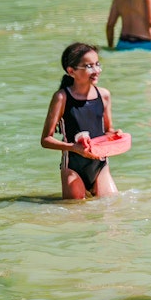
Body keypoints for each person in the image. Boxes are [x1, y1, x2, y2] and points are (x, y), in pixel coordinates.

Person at [40, 42, 120, 200]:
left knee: (113, 208)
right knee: (76, 215)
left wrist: (115, 136)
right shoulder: (62, 98)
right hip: (73, 166)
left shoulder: (104, 95)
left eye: (97, 64)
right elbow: (45, 140)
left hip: (100, 164)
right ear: (71, 71)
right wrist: (74, 148)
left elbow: (108, 130)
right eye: (89, 66)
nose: (96, 70)